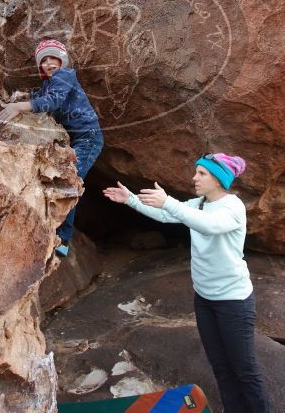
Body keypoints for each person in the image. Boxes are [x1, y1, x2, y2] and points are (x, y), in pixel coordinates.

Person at [102, 154, 270, 413]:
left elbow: (208, 226)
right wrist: (131, 201)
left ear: (218, 179)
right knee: (221, 367)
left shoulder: (232, 207)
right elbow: (168, 215)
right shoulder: (199, 203)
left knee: (244, 370)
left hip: (233, 302)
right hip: (204, 300)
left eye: (202, 173)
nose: (194, 178)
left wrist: (169, 201)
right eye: (196, 172)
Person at [0, 39, 103, 257]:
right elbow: (42, 95)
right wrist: (23, 97)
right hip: (77, 138)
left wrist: (20, 107)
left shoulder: (65, 75)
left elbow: (52, 101)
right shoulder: (51, 82)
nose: (48, 63)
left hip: (89, 138)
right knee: (65, 180)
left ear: (62, 59)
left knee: (70, 183)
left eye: (53, 58)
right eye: (43, 60)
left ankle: (63, 238)